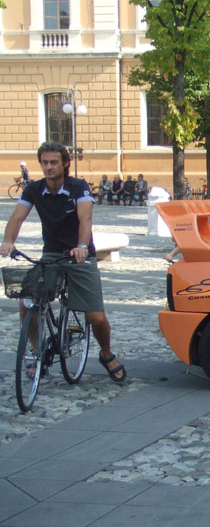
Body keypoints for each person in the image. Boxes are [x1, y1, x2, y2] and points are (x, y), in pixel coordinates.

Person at [0, 141, 125, 382]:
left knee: (95, 317)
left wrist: (81, 246)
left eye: (54, 162)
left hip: (80, 255)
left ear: (65, 164)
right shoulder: (34, 190)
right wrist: (8, 241)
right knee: (27, 303)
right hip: (51, 254)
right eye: (45, 163)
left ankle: (107, 354)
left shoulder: (78, 187)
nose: (48, 167)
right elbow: (16, 218)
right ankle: (36, 351)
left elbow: (85, 218)